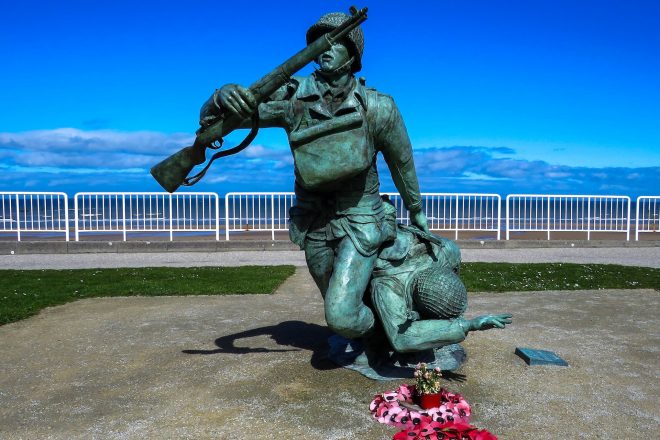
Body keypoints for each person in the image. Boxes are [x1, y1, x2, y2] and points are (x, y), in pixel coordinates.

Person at [199, 12, 428, 342]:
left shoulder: (378, 107)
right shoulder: (293, 99)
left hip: (361, 220)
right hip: (314, 222)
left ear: (353, 54)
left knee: (341, 315)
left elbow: (402, 163)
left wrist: (417, 211)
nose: (325, 49)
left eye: (335, 42)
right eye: (320, 42)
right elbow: (222, 120)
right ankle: (379, 335)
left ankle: (390, 335)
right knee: (340, 307)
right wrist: (220, 96)